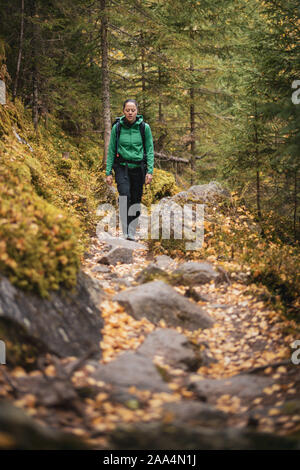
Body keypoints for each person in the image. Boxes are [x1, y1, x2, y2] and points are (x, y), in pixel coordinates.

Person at [105, 99, 154, 241]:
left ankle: (132, 230)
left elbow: (150, 150)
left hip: (139, 168)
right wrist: (108, 172)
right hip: (121, 167)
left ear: (137, 111)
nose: (130, 113)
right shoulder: (117, 127)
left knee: (136, 199)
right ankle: (126, 229)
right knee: (124, 195)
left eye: (133, 110)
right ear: (123, 111)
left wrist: (150, 171)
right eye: (128, 110)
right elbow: (111, 150)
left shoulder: (144, 128)